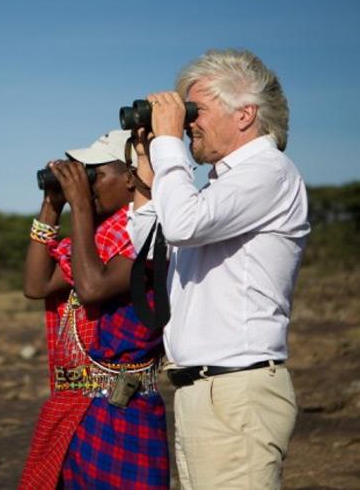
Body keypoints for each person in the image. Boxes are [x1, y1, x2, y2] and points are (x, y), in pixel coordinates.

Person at [129, 49, 310, 489]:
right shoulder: (220, 186)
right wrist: (147, 166)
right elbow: (150, 247)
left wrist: (170, 142)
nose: (189, 122)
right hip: (205, 392)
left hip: (235, 392)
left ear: (246, 114)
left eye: (197, 110)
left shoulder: (269, 172)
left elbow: (184, 224)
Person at [19, 129, 170, 490]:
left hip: (125, 410)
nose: (88, 186)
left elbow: (92, 287)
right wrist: (52, 206)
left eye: (96, 175)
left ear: (132, 178)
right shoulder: (98, 239)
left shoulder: (149, 235)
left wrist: (81, 208)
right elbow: (36, 286)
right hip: (81, 407)